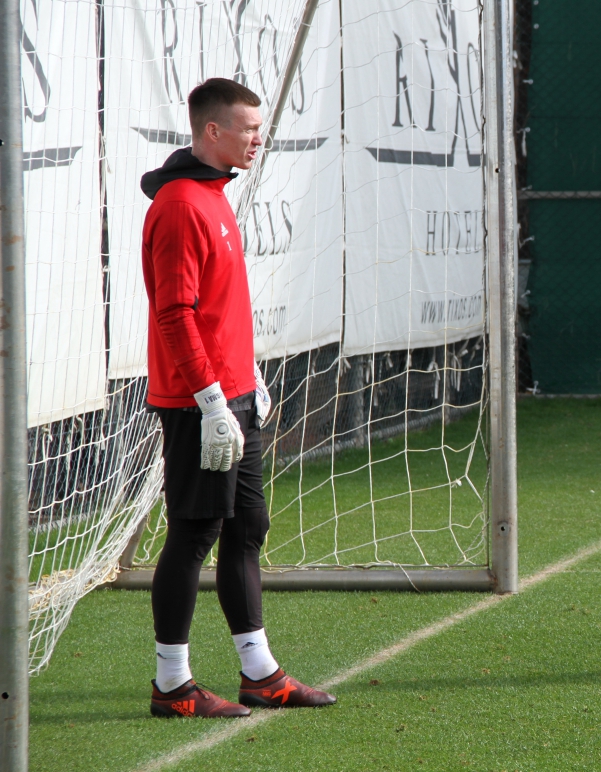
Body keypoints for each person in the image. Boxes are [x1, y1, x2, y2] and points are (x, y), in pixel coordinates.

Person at [141, 77, 336, 716]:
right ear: (212, 130)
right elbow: (174, 313)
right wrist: (210, 400)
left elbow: (219, 308)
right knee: (194, 533)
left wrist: (247, 378)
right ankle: (172, 686)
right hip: (201, 405)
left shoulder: (215, 193)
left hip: (236, 397)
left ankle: (261, 674)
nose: (259, 138)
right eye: (249, 128)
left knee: (248, 526)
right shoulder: (179, 204)